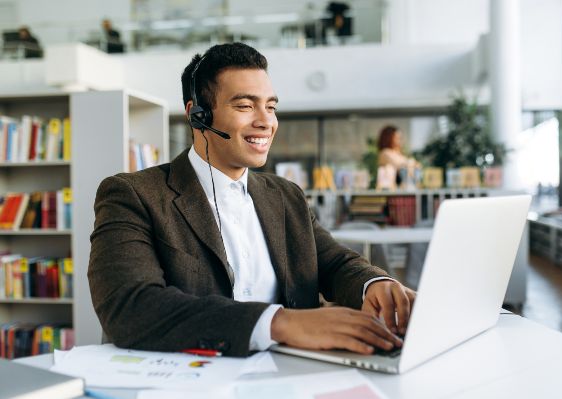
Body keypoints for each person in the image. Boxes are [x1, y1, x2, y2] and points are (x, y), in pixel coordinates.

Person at [88, 43, 415, 357]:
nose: (266, 121)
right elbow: (128, 307)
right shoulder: (133, 194)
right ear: (197, 115)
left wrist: (375, 284)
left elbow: (334, 263)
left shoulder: (286, 196)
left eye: (270, 107)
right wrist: (279, 323)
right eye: (245, 105)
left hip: (291, 377)